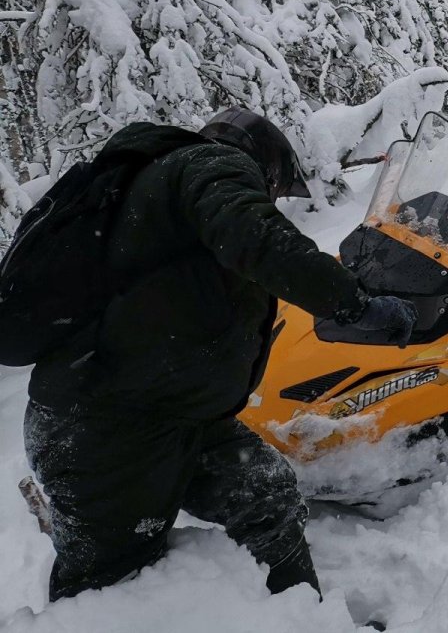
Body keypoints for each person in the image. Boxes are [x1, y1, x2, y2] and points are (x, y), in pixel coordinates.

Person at [23, 108, 417, 601]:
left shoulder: (171, 192)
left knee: (264, 495)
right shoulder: (210, 165)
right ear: (264, 164)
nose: (271, 199)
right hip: (107, 431)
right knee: (109, 586)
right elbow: (255, 235)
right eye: (273, 189)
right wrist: (354, 303)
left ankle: (303, 617)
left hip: (173, 413)